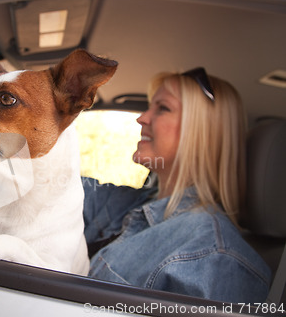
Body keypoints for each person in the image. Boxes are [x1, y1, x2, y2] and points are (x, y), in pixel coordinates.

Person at [83, 68, 271, 303]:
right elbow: (67, 191)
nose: (142, 118)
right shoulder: (135, 203)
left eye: (163, 108)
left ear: (203, 131)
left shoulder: (214, 258)